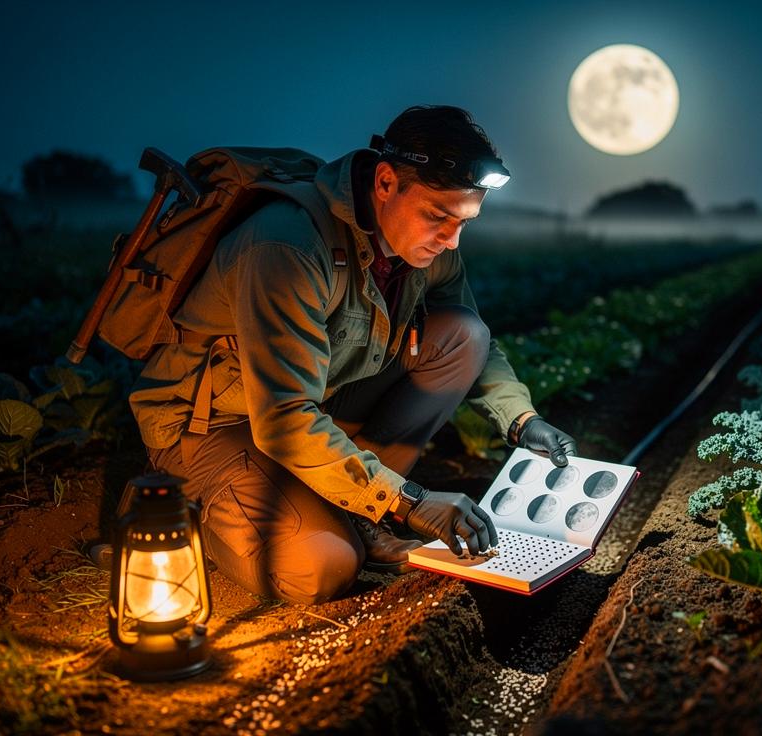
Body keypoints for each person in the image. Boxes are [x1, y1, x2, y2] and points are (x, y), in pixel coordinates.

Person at [125, 105, 577, 605]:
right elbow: (282, 418)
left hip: (315, 402)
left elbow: (475, 340)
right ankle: (179, 504)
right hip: (213, 425)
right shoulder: (288, 246)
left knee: (463, 335)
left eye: (465, 221)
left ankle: (360, 511)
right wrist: (411, 501)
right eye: (437, 216)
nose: (451, 239)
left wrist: (520, 418)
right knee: (323, 569)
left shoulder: (429, 248)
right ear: (385, 183)